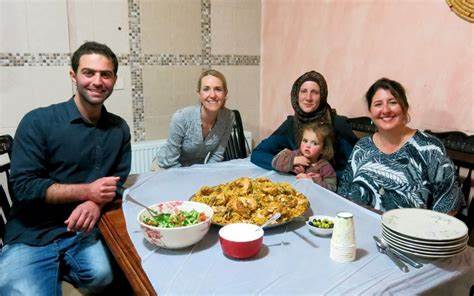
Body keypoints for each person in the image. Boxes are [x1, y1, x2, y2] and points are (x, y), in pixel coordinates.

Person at [0, 41, 131, 294]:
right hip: (33, 232)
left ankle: (57, 270)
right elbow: (24, 186)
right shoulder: (38, 121)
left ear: (114, 79)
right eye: (88, 72)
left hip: (82, 229)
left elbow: (117, 179)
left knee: (104, 277)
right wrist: (88, 192)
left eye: (106, 74)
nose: (97, 81)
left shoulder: (119, 128)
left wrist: (96, 203)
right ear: (73, 75)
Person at [337, 78, 463, 213]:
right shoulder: (362, 147)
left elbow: (450, 204)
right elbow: (344, 193)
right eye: (378, 104)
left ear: (404, 107)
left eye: (393, 102)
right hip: (359, 227)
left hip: (409, 233)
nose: (385, 110)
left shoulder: (429, 148)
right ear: (371, 113)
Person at [250, 70, 358, 176]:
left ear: (322, 96)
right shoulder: (291, 124)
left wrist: (324, 176)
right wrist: (291, 162)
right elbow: (257, 155)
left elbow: (356, 166)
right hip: (300, 184)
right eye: (304, 91)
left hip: (330, 188)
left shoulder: (337, 123)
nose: (308, 98)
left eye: (314, 92)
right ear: (297, 95)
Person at [153, 69, 233, 168]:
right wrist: (190, 178)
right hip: (165, 168)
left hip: (194, 170)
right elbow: (170, 161)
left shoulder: (229, 117)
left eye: (218, 89)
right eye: (206, 89)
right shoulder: (181, 117)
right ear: (199, 94)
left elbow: (217, 155)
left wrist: (206, 174)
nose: (212, 95)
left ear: (225, 93)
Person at [272, 122, 337, 191]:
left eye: (314, 143)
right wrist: (294, 160)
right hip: (290, 191)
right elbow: (274, 162)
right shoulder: (295, 154)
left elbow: (332, 188)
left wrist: (313, 180)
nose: (308, 145)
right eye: (305, 141)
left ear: (323, 149)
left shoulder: (325, 167)